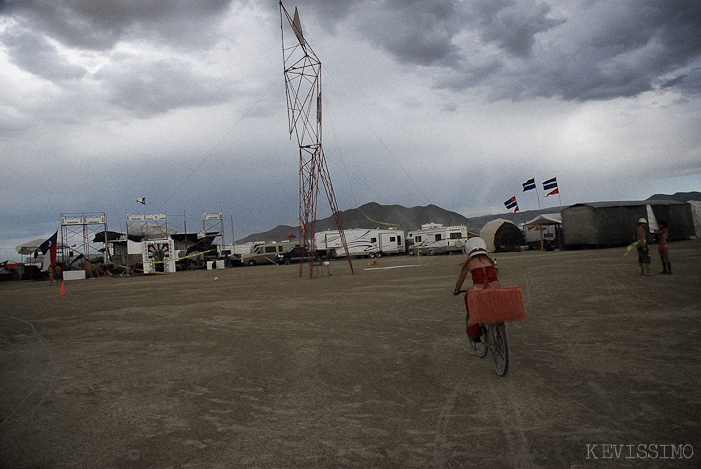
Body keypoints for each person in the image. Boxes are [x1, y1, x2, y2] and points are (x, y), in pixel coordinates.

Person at [453, 237, 500, 345]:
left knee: (470, 303)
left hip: (479, 291)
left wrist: (456, 290)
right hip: (496, 289)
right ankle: (499, 329)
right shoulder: (489, 260)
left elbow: (460, 281)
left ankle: (475, 334)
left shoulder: (469, 263)